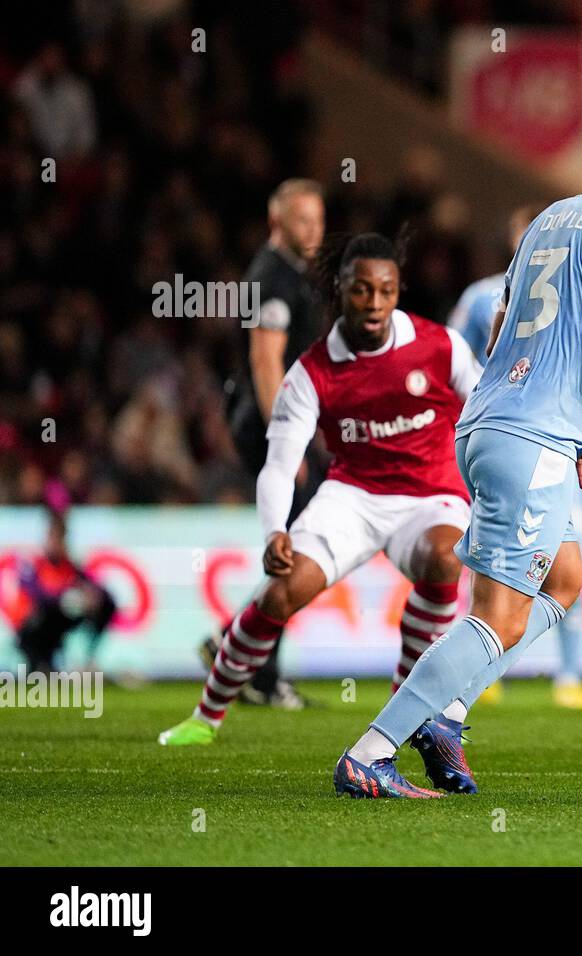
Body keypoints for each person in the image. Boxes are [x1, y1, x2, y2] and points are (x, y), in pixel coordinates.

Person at [334, 93, 582, 799]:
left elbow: (503, 327)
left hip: (496, 424)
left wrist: (565, 421)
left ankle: (446, 715)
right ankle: (372, 750)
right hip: (532, 437)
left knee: (564, 580)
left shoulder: (547, 219)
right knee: (498, 615)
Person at [158, 232, 481, 771]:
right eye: (361, 291)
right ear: (339, 289)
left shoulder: (442, 346)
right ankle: (205, 717)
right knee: (281, 594)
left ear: (398, 290)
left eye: (386, 290)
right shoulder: (311, 372)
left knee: (446, 560)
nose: (374, 303)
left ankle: (408, 714)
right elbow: (280, 463)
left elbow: (488, 411)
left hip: (431, 495)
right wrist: (273, 532)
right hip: (352, 495)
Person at [448, 204, 582, 713]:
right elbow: (451, 359)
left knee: (567, 568)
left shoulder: (579, 291)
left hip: (548, 441)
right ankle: (471, 678)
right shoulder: (484, 297)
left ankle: (566, 674)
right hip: (517, 437)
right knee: (497, 564)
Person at [200, 179, 327, 710]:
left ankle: (241, 652)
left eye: (319, 220)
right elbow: (265, 361)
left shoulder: (289, 275)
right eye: (303, 221)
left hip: (282, 423)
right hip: (271, 425)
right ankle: (255, 667)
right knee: (293, 546)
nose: (314, 230)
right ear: (278, 223)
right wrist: (287, 444)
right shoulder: (273, 280)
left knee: (296, 544)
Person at [15, 507, 116, 673]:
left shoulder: (69, 567)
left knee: (106, 603)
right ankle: (39, 662)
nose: (57, 543)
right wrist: (64, 596)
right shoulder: (33, 565)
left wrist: (93, 596)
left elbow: (93, 587)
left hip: (58, 622)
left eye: (60, 538)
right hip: (32, 627)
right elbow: (36, 594)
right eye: (53, 537)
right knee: (51, 610)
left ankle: (88, 659)